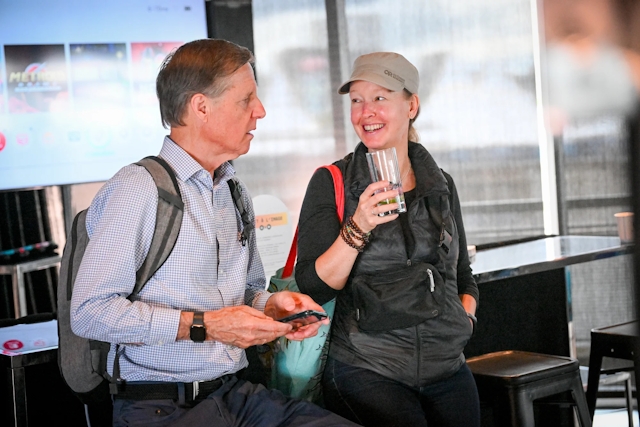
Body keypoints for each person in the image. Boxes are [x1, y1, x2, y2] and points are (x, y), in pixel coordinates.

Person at [71, 38, 359, 427]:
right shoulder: (137, 188)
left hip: (233, 394)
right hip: (160, 408)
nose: (260, 111)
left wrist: (271, 307)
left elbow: (246, 293)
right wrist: (207, 326)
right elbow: (90, 313)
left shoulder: (232, 191)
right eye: (246, 100)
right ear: (201, 107)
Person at [295, 52, 481, 427]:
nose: (367, 112)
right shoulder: (331, 181)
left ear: (411, 105)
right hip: (367, 369)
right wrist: (358, 225)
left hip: (447, 368)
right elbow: (314, 286)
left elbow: (462, 272)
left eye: (380, 98)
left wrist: (465, 320)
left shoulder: (440, 184)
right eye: (357, 101)